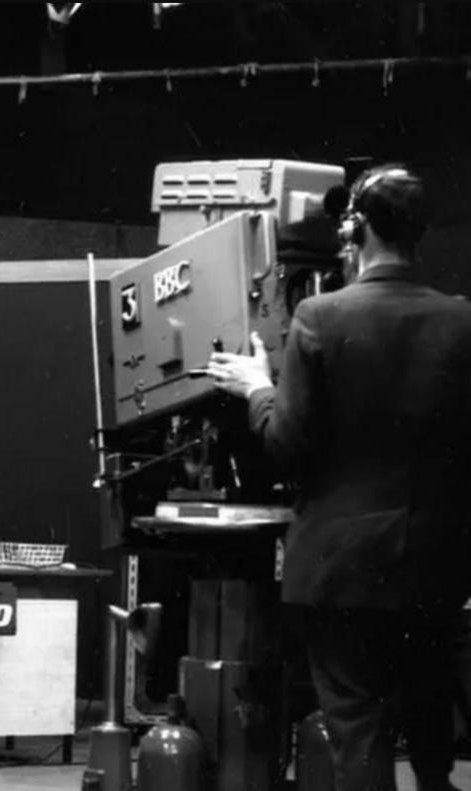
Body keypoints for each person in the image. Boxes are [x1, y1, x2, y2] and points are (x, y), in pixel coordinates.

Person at [205, 163, 471, 791]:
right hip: (437, 563)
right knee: (430, 714)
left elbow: (287, 446)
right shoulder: (463, 321)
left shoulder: (319, 318)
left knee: (359, 724)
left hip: (342, 568)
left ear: (356, 230)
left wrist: (258, 388)